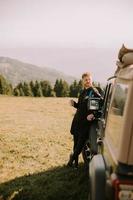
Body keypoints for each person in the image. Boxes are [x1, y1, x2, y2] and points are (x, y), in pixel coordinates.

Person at [67, 72, 103, 168]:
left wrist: (93, 114)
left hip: (86, 123)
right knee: (75, 143)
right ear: (83, 81)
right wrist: (74, 104)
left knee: (80, 145)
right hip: (77, 121)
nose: (87, 81)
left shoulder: (94, 91)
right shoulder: (83, 92)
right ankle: (75, 164)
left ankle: (71, 161)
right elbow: (80, 106)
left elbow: (102, 103)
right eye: (85, 80)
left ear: (91, 80)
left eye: (89, 79)